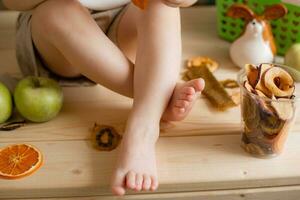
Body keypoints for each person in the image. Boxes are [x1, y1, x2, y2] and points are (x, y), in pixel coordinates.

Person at [3, 0, 205, 196]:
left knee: (162, 4)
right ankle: (157, 96)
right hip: (56, 45)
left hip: (122, 25)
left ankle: (143, 130)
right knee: (55, 11)